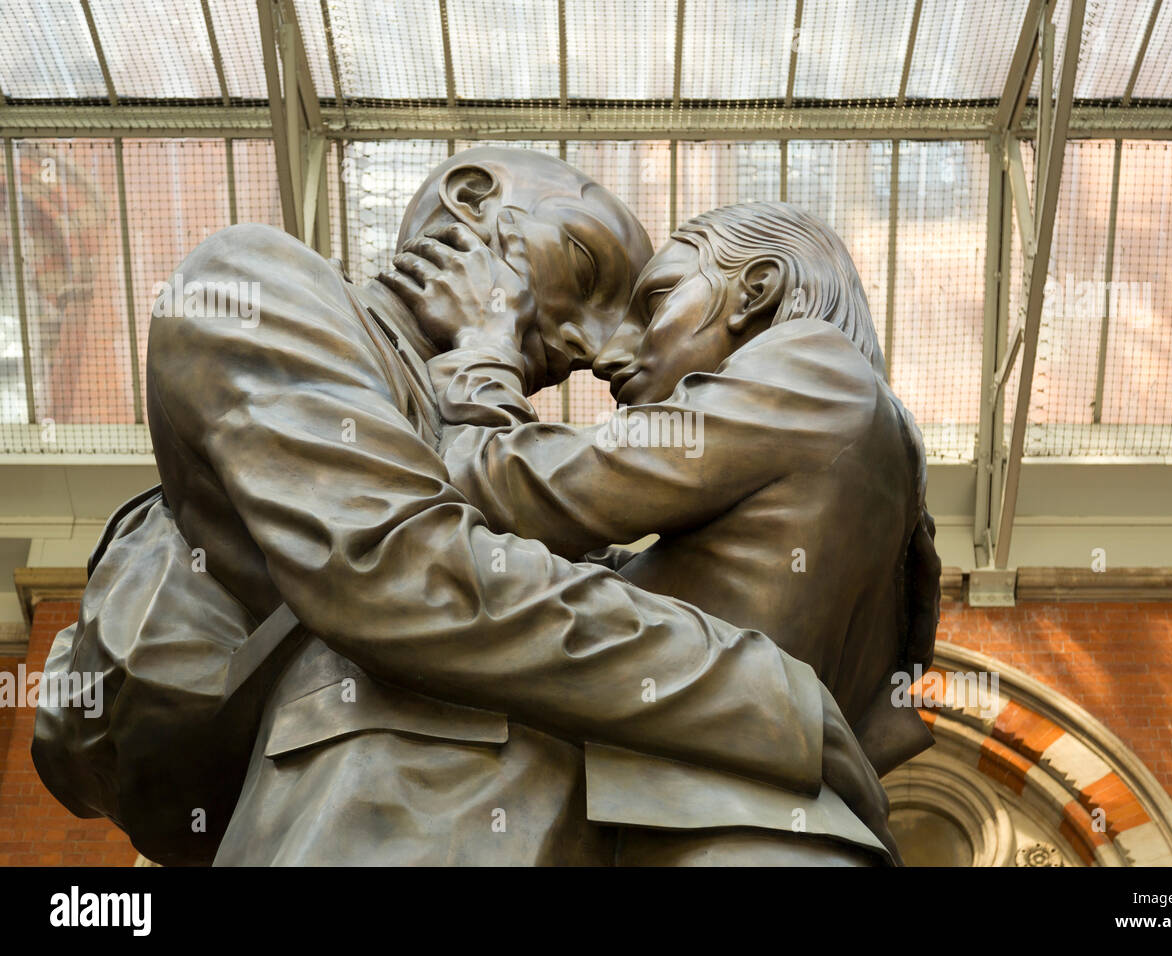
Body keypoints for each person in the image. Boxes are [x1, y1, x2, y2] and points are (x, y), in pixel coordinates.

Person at [135, 150, 886, 865]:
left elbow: (534, 558)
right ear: (471, 200)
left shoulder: (810, 391)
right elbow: (403, 567)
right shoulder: (262, 282)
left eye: (636, 312)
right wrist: (768, 696)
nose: (595, 349)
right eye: (588, 269)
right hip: (390, 818)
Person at [390, 201, 942, 864]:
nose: (608, 355)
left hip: (715, 831)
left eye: (653, 304)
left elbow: (509, 486)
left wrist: (483, 348)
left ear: (756, 292)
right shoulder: (885, 460)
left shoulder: (811, 365)